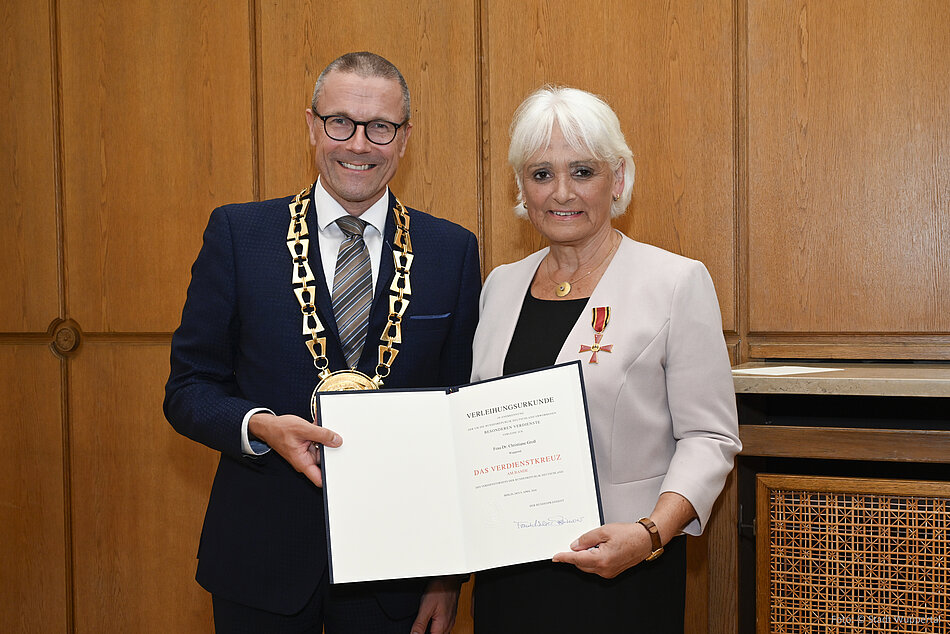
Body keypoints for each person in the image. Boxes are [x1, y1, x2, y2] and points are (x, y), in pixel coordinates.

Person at [164, 51, 480, 633]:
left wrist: (445, 576)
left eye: (380, 127)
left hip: (397, 578)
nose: (358, 144)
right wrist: (259, 426)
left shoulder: (452, 251)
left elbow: (455, 421)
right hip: (261, 564)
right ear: (312, 125)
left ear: (404, 138)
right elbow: (187, 388)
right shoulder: (239, 234)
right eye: (341, 122)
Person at [470, 85, 741, 632]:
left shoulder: (675, 282)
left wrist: (650, 532)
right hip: (509, 577)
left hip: (623, 571)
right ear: (522, 186)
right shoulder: (500, 286)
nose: (561, 192)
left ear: (617, 180)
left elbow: (710, 438)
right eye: (541, 173)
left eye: (583, 171)